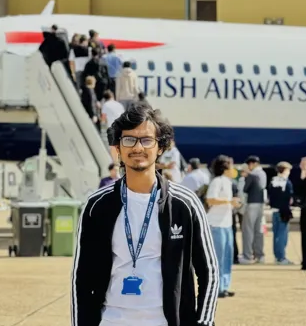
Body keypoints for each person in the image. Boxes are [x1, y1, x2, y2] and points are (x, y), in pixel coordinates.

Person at [71, 103, 219, 326]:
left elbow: (209, 272)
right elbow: (80, 279)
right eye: (129, 139)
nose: (138, 147)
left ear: (160, 147)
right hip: (111, 320)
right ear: (118, 148)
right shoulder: (96, 206)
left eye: (147, 140)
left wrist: (203, 323)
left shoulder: (185, 204)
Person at [206, 155, 238, 298]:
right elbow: (210, 199)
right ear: (225, 167)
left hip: (226, 224)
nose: (233, 168)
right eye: (231, 165)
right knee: (218, 258)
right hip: (216, 224)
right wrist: (229, 201)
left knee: (227, 257)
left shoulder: (228, 181)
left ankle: (225, 285)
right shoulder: (217, 181)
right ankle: (216, 288)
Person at [240, 155, 267, 264]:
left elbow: (245, 189)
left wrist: (245, 177)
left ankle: (247, 256)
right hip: (260, 205)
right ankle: (259, 255)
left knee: (248, 231)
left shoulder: (251, 175)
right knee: (258, 231)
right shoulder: (263, 174)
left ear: (253, 164)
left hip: (251, 205)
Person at [267, 161, 294, 265]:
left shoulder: (273, 181)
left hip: (274, 210)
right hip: (284, 211)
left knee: (276, 235)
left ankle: (277, 256)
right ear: (286, 170)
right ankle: (281, 257)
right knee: (282, 235)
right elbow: (289, 197)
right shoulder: (287, 182)